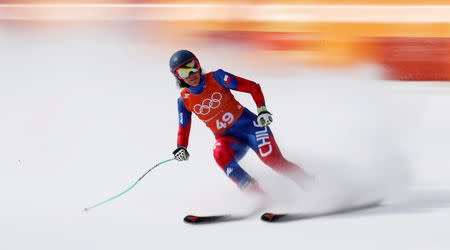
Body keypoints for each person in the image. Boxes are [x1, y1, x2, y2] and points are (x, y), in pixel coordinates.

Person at [170, 50, 311, 195]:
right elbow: (183, 127)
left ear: (199, 65)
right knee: (219, 154)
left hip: (251, 128)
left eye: (193, 66)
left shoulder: (217, 77)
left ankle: (311, 185)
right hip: (229, 139)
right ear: (177, 76)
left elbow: (252, 87)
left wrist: (262, 110)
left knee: (273, 161)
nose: (192, 74)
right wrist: (181, 147)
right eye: (184, 72)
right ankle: (256, 194)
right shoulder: (184, 100)